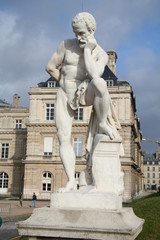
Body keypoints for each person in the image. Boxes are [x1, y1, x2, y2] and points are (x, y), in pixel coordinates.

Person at [46, 12, 116, 193]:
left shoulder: (100, 53)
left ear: (92, 30)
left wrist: (87, 50)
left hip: (84, 92)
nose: (78, 37)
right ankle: (71, 181)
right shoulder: (66, 45)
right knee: (63, 136)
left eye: (82, 33)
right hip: (64, 93)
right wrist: (62, 81)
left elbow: (94, 75)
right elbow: (50, 66)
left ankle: (101, 123)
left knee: (100, 84)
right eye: (76, 33)